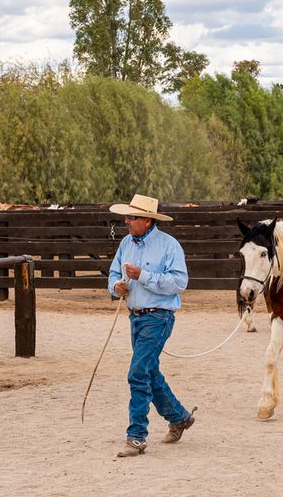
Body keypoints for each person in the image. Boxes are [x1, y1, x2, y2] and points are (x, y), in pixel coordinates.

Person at [107, 194, 195, 457]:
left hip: (159, 317)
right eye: (127, 216)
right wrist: (116, 286)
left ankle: (136, 436)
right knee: (149, 372)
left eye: (132, 217)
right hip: (136, 316)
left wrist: (142, 276)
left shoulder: (169, 246)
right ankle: (179, 417)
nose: (127, 221)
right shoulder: (125, 243)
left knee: (137, 373)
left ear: (147, 221)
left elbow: (179, 282)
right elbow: (113, 273)